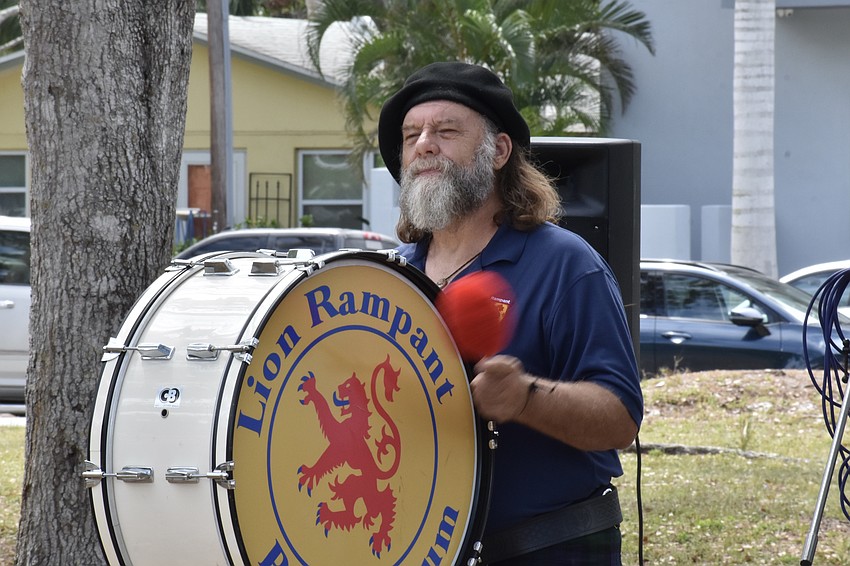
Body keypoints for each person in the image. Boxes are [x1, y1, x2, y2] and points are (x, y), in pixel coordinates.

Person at [378, 61, 643, 565]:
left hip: (549, 550)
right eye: (412, 134)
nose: (424, 144)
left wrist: (525, 398)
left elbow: (620, 419)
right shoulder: (392, 281)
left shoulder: (565, 264)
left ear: (498, 151)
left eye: (446, 130)